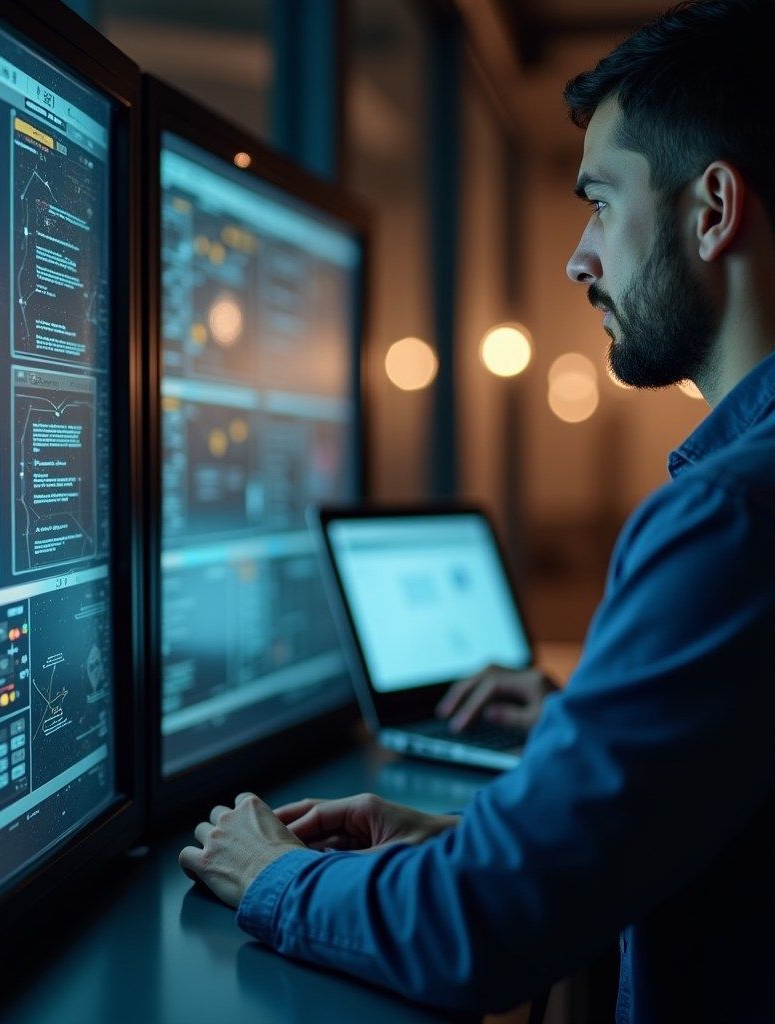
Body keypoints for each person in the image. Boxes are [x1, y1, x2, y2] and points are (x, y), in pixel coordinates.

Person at [177, 2, 775, 1020]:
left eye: (598, 203)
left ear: (712, 209)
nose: (577, 261)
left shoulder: (727, 518)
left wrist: (272, 873)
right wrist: (491, 829)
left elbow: (485, 926)